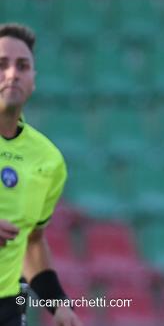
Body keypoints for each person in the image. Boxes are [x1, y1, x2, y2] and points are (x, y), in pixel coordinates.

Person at [0, 24, 82, 326]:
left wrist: (59, 304)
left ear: (33, 80)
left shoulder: (48, 160)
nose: (12, 74)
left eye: (22, 66)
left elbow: (32, 242)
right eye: (1, 65)